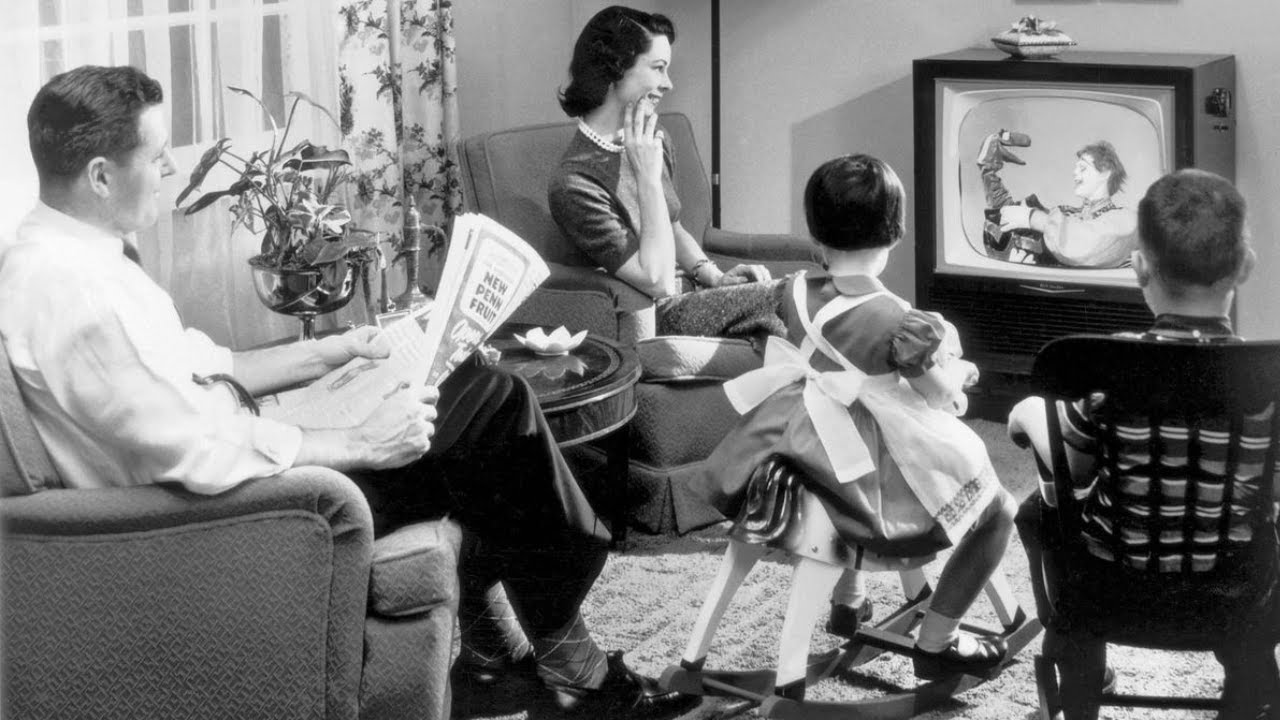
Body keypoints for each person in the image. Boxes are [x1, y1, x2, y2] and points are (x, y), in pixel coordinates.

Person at [0, 64, 697, 720]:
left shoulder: (71, 261)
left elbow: (205, 366)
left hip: (234, 479)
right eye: (156, 157)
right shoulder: (76, 294)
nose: (169, 170)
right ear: (100, 176)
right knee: (492, 405)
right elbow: (191, 453)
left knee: (461, 389)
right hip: (241, 520)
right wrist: (360, 441)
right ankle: (573, 665)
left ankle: (496, 656)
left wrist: (333, 352)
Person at [693, 154, 1019, 689]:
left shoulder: (791, 290)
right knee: (995, 505)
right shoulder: (901, 318)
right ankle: (937, 641)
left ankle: (849, 598)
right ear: (895, 231)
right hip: (862, 462)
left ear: (815, 234)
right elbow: (936, 395)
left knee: (860, 459)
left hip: (792, 438)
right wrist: (959, 375)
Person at [1007, 168, 1277, 720]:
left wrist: (1029, 414)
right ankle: (1248, 677)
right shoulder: (1269, 381)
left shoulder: (1108, 372)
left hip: (1112, 585)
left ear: (1138, 268)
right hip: (1236, 589)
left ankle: (1079, 660)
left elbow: (1076, 466)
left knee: (1038, 512)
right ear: (1246, 266)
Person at [547, 5, 784, 340]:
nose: (668, 84)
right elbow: (656, 281)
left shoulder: (654, 138)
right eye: (658, 68)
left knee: (808, 293)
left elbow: (672, 226)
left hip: (694, 295)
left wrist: (715, 277)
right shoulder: (574, 184)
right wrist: (647, 177)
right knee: (793, 299)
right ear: (615, 68)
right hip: (656, 311)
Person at [978, 131, 1137, 268]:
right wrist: (988, 171)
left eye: (1083, 168)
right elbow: (1009, 220)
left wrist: (1032, 218)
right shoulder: (1063, 216)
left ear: (1106, 173)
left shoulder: (1126, 219)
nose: (1074, 173)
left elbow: (1085, 244)